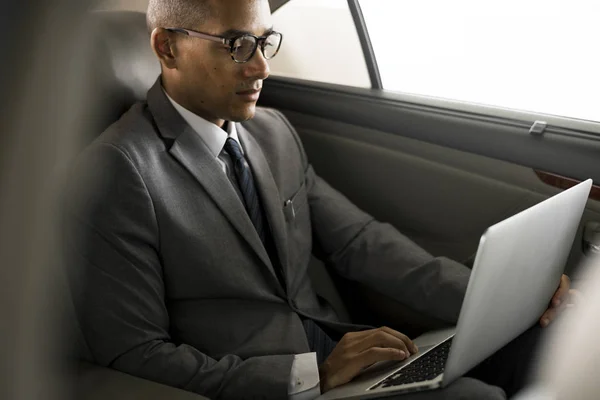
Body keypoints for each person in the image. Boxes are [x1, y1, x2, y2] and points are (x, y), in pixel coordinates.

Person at [64, 1, 573, 399]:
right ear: (167, 47)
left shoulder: (272, 132)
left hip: (349, 354)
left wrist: (505, 295)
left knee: (553, 344)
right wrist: (314, 375)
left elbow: (360, 242)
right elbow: (136, 354)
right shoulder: (117, 170)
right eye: (237, 44)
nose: (260, 67)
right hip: (274, 385)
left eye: (265, 42)